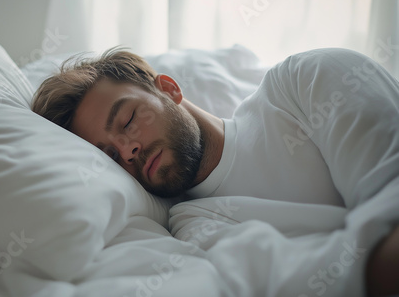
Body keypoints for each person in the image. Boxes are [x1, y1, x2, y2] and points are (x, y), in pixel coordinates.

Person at [32, 46, 399, 296]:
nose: (128, 150)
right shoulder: (195, 229)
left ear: (169, 89)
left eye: (128, 120)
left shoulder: (304, 83)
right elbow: (298, 281)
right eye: (110, 156)